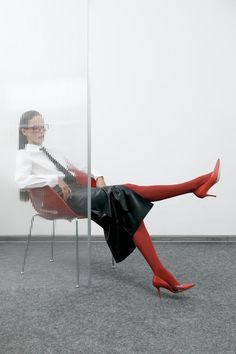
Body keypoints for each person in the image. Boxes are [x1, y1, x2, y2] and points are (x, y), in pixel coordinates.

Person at [15, 110, 220, 298]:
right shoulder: (24, 155)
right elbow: (21, 181)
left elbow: (82, 166)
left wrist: (99, 175)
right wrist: (52, 180)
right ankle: (194, 186)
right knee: (125, 192)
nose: (41, 131)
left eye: (43, 126)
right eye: (36, 127)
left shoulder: (52, 151)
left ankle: (159, 272)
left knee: (126, 207)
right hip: (63, 199)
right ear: (24, 131)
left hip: (81, 192)